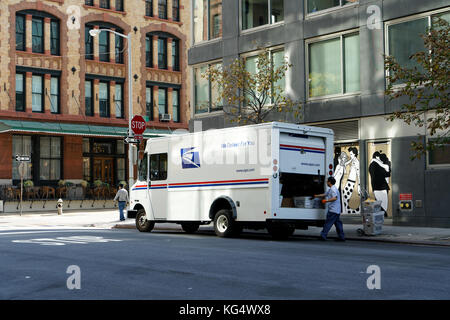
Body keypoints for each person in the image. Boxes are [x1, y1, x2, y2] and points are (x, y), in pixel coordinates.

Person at [314, 177, 345, 241]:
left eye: (327, 181)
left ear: (329, 182)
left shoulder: (333, 189)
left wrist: (326, 201)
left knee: (328, 223)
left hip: (333, 210)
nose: (326, 182)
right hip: (336, 210)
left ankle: (323, 235)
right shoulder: (331, 189)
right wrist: (316, 196)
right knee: (338, 224)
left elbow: (335, 198)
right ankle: (341, 237)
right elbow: (325, 194)